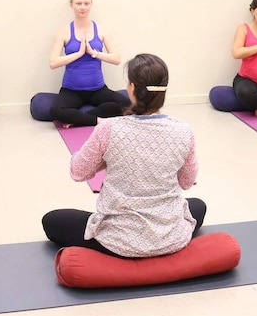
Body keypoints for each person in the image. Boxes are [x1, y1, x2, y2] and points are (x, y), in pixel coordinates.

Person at [42, 53, 206, 258]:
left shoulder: (110, 128)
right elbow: (186, 182)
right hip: (169, 235)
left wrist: (104, 161)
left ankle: (125, 250)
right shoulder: (183, 130)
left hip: (119, 239)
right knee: (198, 206)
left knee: (52, 221)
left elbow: (78, 171)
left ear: (131, 88)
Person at [47, 0, 130, 127]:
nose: (83, 7)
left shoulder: (102, 30)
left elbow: (116, 59)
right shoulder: (64, 31)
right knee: (55, 110)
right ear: (72, 5)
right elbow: (53, 62)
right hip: (71, 91)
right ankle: (97, 120)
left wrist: (94, 53)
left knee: (127, 104)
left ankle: (80, 118)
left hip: (98, 89)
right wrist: (79, 53)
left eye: (86, 3)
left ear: (91, 4)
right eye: (79, 3)